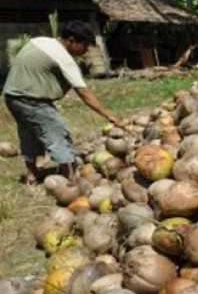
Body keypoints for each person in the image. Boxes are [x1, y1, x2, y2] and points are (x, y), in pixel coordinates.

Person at [3, 21, 120, 184]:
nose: (85, 50)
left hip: (12, 96)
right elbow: (84, 93)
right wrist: (109, 115)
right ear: (71, 41)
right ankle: (70, 176)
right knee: (57, 132)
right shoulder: (63, 58)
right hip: (32, 100)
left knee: (29, 134)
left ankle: (32, 174)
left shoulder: (40, 41)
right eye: (84, 45)